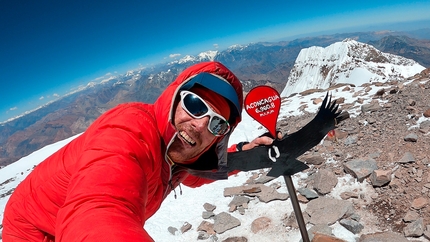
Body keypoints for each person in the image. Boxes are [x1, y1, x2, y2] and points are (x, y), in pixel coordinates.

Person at [2, 61, 278, 241]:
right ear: (173, 98)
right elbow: (98, 209)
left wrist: (242, 152)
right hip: (33, 229)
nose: (199, 125)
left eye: (217, 123)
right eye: (194, 104)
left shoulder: (178, 154)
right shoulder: (128, 130)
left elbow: (194, 174)